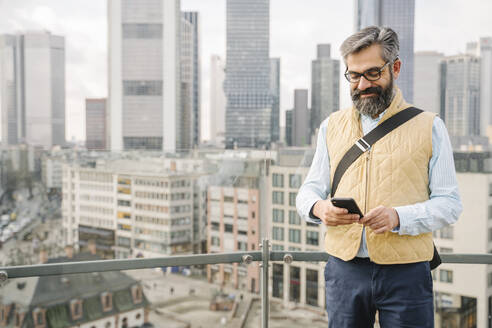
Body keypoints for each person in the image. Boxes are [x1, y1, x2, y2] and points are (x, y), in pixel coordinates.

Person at [296, 26, 462, 327]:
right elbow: (308, 191)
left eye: (372, 73)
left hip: (407, 272)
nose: (362, 84)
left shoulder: (430, 126)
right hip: (344, 270)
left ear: (395, 68)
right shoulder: (331, 126)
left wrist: (398, 218)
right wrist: (320, 209)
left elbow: (450, 204)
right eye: (354, 75)